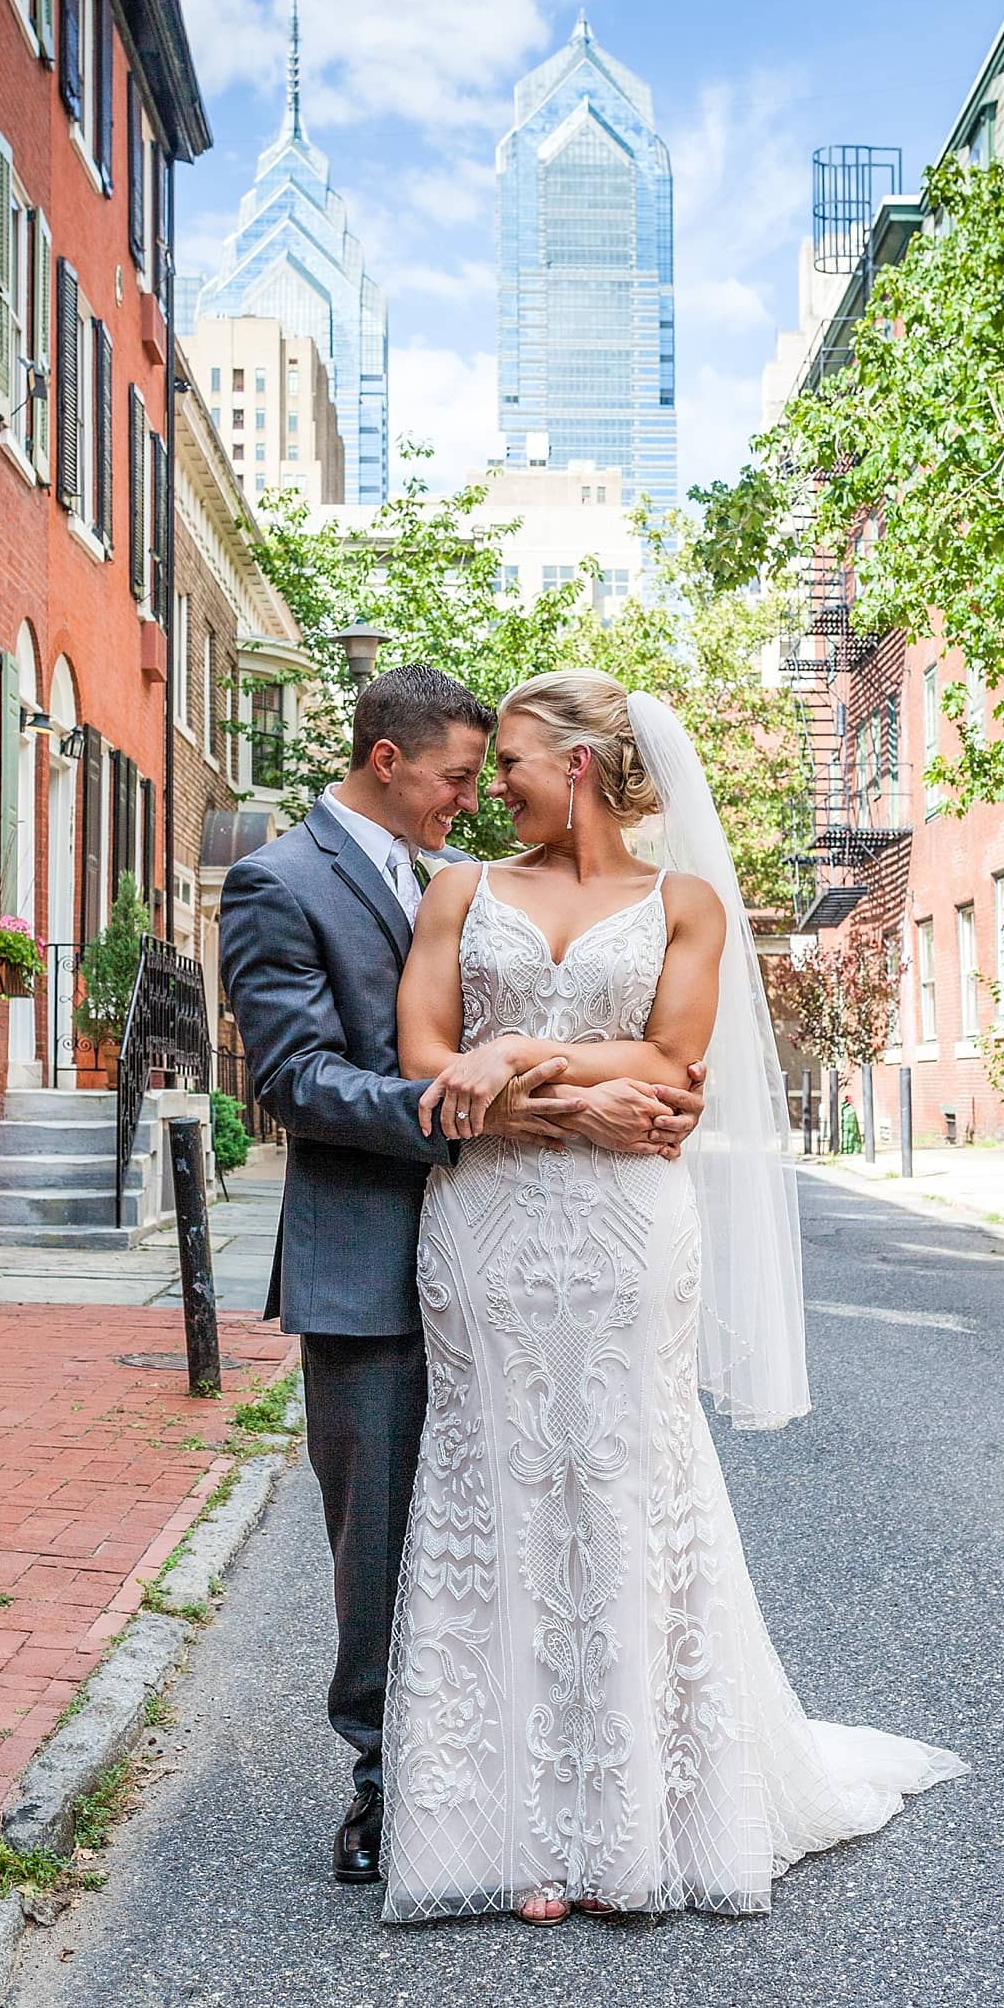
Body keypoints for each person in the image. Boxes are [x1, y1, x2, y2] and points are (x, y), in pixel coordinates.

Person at [382, 669, 965, 1924]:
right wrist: (559, 1094)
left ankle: (637, 1818)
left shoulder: (686, 903)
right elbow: (426, 1061)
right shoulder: (459, 890)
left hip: (626, 1229)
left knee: (624, 1472)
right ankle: (512, 1826)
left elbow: (670, 1059)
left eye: (518, 762)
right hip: (486, 1223)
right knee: (498, 1479)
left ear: (580, 764)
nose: (495, 787)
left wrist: (517, 1058)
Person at [219, 665, 707, 1889]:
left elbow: (665, 1052)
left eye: (491, 772)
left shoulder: (473, 879)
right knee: (388, 1539)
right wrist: (486, 1115)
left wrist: (557, 1086)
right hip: (382, 1251)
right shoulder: (277, 882)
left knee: (546, 1512)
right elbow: (295, 1082)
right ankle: (393, 1790)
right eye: (453, 777)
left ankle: (556, 1774)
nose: (471, 799)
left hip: (536, 1240)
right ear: (388, 762)